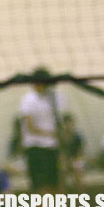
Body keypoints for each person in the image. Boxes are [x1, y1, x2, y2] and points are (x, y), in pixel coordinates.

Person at [19, 67, 66, 195]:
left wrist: (59, 136)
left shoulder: (56, 98)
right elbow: (30, 127)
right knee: (38, 184)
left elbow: (59, 121)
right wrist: (50, 134)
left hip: (52, 146)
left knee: (53, 182)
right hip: (35, 147)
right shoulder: (28, 99)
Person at [61, 113, 84, 192]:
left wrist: (74, 160)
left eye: (69, 123)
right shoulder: (60, 138)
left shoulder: (77, 137)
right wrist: (66, 161)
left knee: (77, 169)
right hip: (65, 161)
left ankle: (79, 193)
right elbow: (61, 153)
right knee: (61, 171)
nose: (68, 126)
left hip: (76, 159)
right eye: (66, 124)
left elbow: (80, 152)